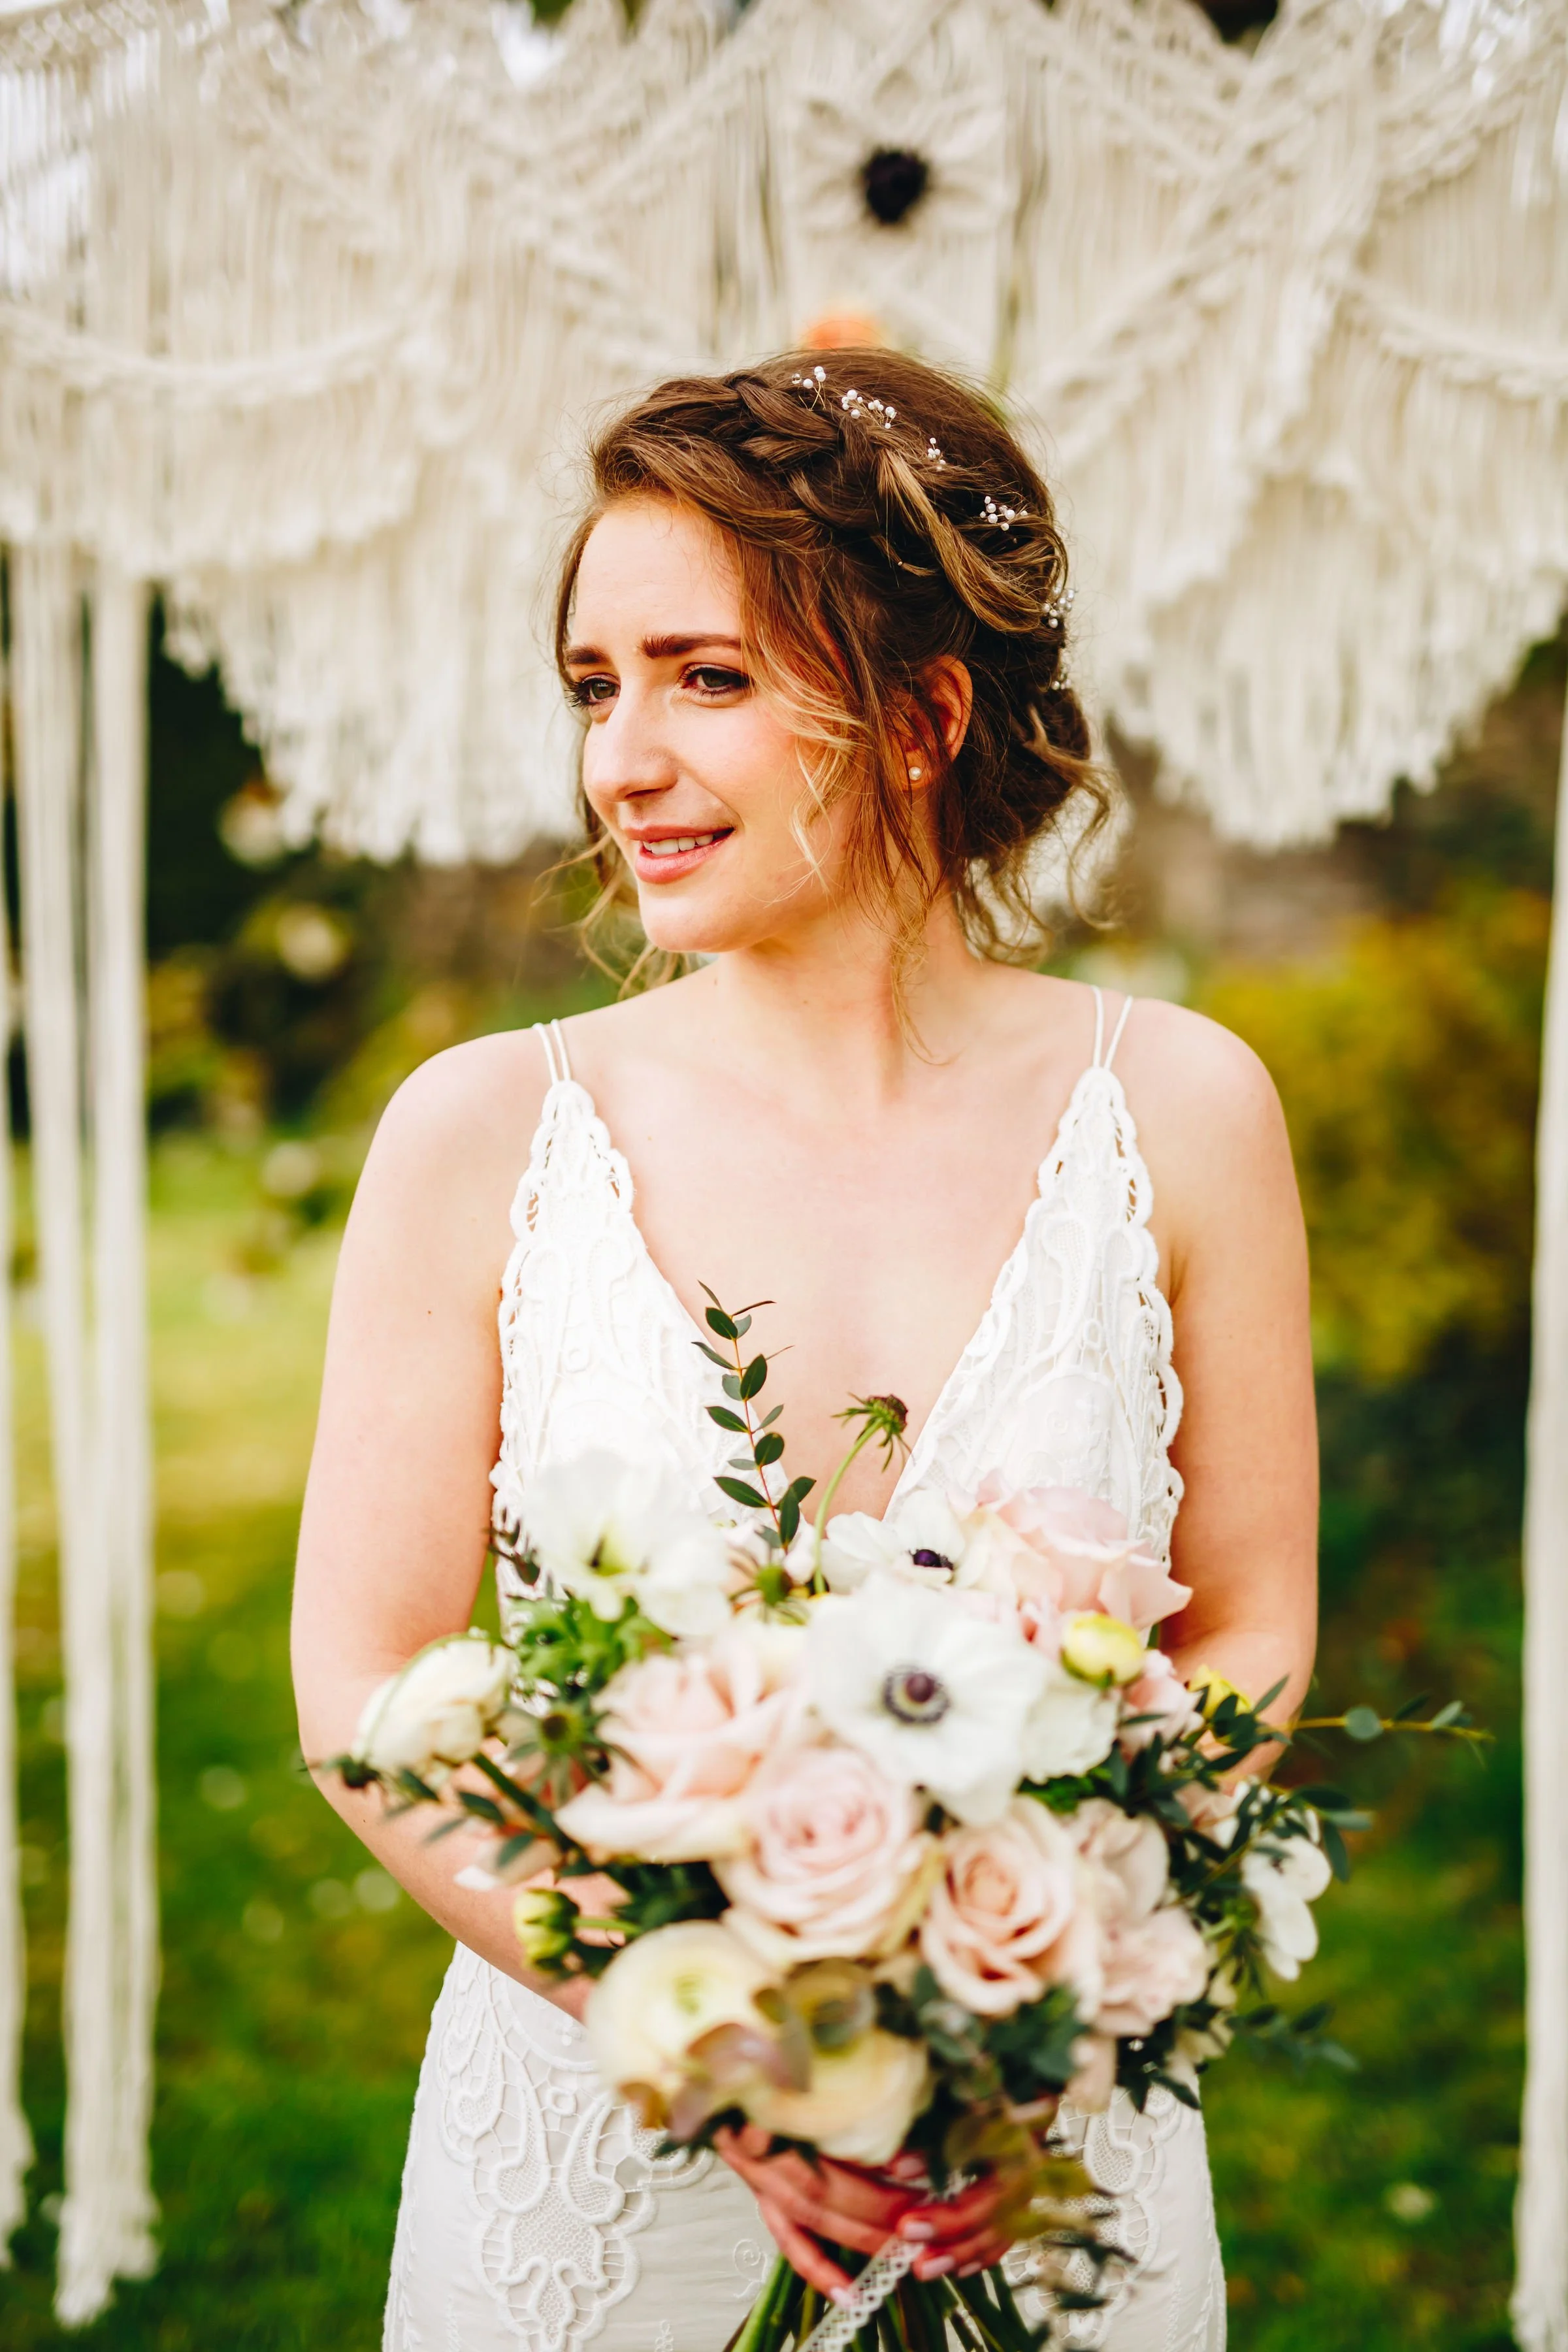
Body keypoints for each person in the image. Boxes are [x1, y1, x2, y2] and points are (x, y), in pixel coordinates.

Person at [291, 348, 1318, 2352]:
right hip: (591, 2181)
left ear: (924, 712)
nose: (621, 762)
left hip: (1041, 2154)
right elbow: (365, 1681)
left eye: (705, 677)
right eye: (597, 687)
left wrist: (1016, 1983)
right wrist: (724, 2042)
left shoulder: (1184, 1110)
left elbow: (1257, 1613)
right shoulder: (480, 1133)